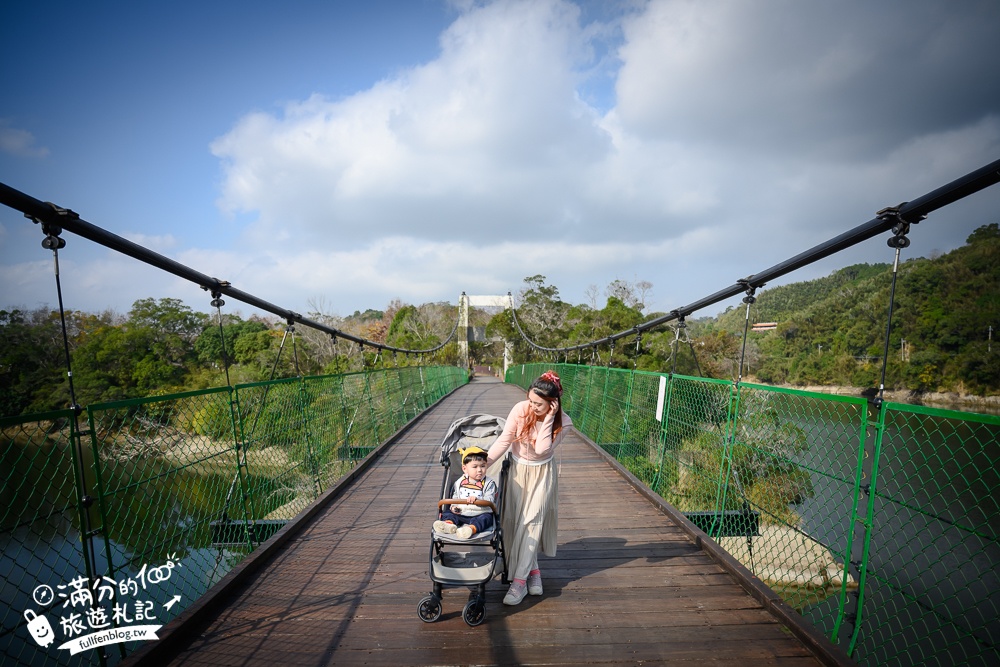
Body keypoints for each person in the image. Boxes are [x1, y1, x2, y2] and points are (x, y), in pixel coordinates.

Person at [486, 370, 572, 606]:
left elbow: (543, 449)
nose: (532, 406)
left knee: (532, 524)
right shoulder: (520, 409)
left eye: (539, 404)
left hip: (542, 473)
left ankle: (519, 583)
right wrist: (484, 463)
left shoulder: (564, 423)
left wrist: (547, 420)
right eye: (530, 400)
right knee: (516, 522)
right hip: (517, 471)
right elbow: (505, 440)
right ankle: (534, 573)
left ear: (553, 403)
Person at [433, 445, 499, 540]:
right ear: (465, 469)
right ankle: (449, 525)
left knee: (486, 519)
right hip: (461, 511)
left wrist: (478, 500)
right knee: (448, 514)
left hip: (480, 512)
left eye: (483, 466)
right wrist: (454, 506)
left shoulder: (489, 483)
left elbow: (490, 500)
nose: (480, 470)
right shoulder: (460, 482)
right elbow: (455, 496)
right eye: (475, 467)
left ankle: (470, 529)